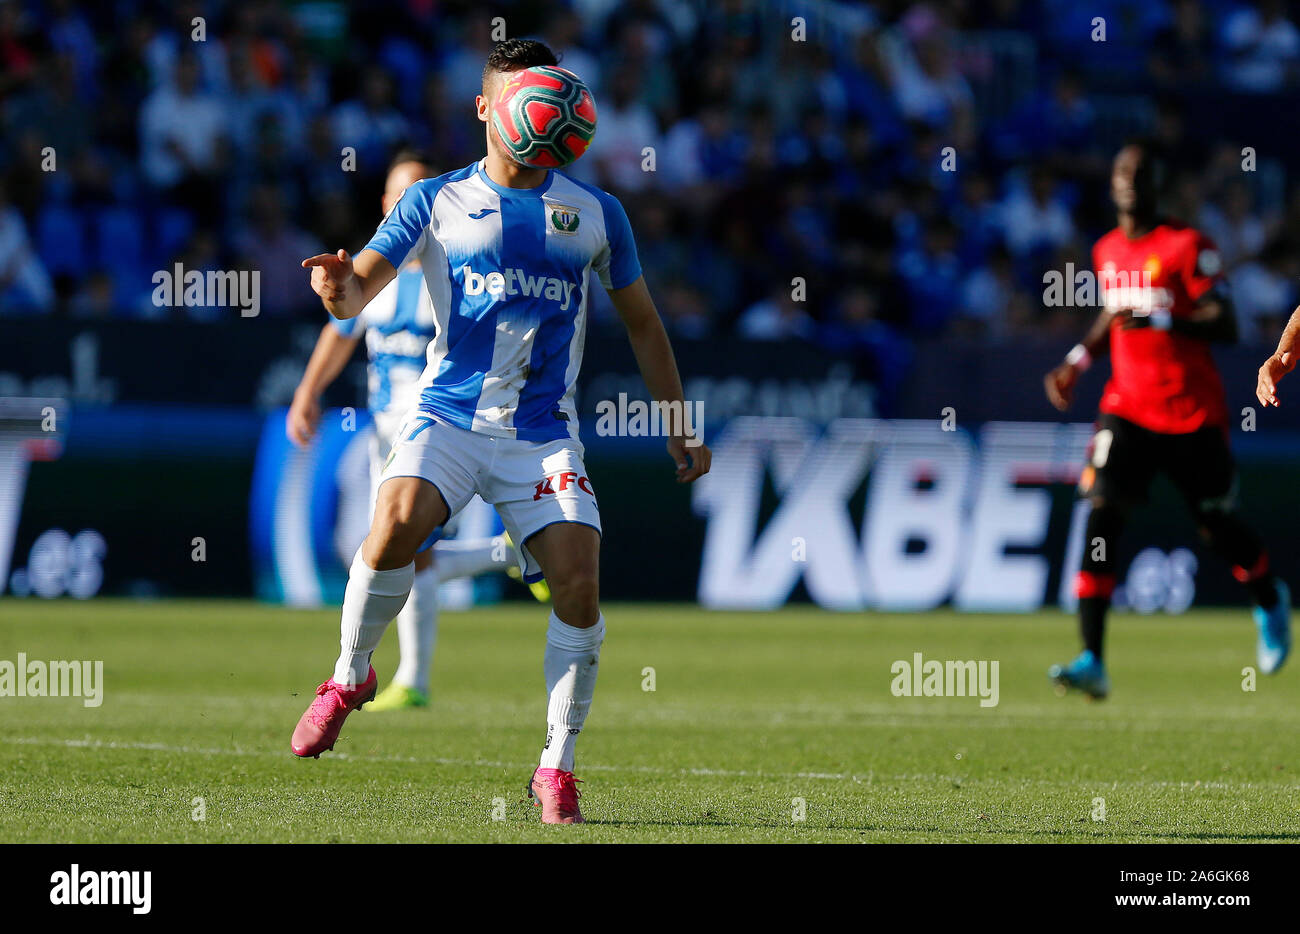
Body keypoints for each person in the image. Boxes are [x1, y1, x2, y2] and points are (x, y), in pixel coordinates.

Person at [291, 39, 711, 824]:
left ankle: (557, 767)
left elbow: (647, 327)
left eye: (543, 91)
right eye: (518, 93)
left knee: (580, 585)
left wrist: (678, 425)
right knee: (390, 531)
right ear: (488, 109)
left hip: (543, 434)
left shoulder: (595, 213)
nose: (534, 105)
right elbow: (355, 298)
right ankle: (350, 674)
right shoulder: (433, 202)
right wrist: (335, 286)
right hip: (448, 415)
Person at [287, 150, 544, 712]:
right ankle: (508, 555)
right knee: (403, 553)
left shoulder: (452, 269)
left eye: (419, 190)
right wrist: (308, 392)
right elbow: (341, 329)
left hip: (439, 427)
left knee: (400, 552)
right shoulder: (366, 274)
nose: (410, 201)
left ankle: (413, 679)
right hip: (385, 431)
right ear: (386, 204)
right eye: (400, 192)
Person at [1043, 141, 1290, 699]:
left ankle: (1268, 596)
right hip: (1126, 409)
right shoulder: (1106, 250)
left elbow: (1224, 322)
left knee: (1217, 528)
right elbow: (1113, 314)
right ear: (1111, 184)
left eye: (1141, 171)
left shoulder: (1188, 246)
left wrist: (1161, 314)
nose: (1130, 179)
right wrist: (1078, 361)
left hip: (1189, 412)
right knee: (1101, 516)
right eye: (1122, 170)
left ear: (1158, 184)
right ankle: (1092, 658)